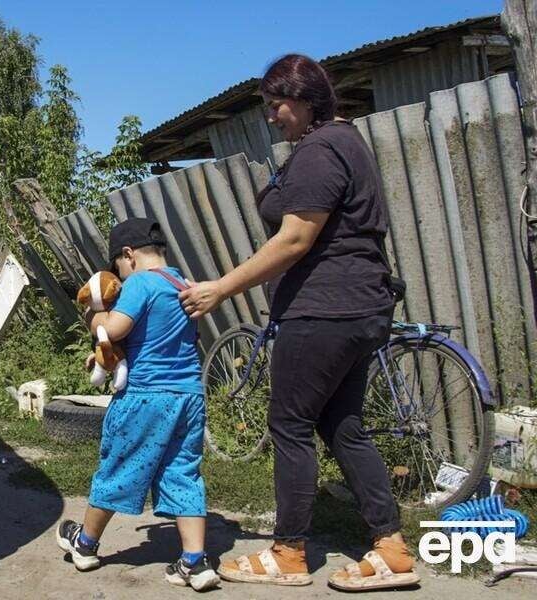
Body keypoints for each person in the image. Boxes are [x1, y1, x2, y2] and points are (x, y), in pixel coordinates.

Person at [178, 54, 420, 592]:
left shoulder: (320, 150)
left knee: (289, 426)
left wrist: (222, 287)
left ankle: (288, 552)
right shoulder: (342, 143)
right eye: (266, 105)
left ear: (307, 96)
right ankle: (390, 549)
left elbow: (294, 239)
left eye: (276, 103)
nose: (270, 114)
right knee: (342, 427)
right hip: (358, 310)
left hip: (325, 309)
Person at [56, 217, 221, 592]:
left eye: (118, 268)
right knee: (184, 473)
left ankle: (85, 543)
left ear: (128, 255)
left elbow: (112, 330)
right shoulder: (183, 284)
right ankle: (195, 563)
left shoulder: (140, 283)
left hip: (146, 396)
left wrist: (93, 315)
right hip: (189, 396)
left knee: (119, 466)